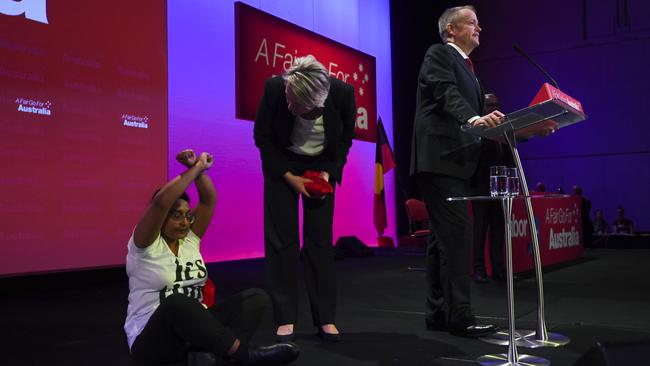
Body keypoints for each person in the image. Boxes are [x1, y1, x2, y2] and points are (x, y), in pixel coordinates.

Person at [124, 149, 299, 366]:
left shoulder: (189, 240)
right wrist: (196, 168)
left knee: (255, 299)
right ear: (161, 218)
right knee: (177, 303)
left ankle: (218, 356)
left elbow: (208, 200)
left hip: (194, 332)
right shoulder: (144, 245)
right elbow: (160, 203)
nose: (185, 222)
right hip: (153, 338)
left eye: (187, 216)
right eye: (176, 216)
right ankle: (245, 356)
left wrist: (195, 168)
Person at [410, 5, 500, 338]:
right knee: (459, 237)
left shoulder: (469, 69)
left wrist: (512, 127)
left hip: (458, 163)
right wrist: (473, 118)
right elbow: (445, 93)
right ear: (451, 29)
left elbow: (467, 106)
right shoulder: (439, 54)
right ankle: (461, 316)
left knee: (441, 241)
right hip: (440, 158)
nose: (479, 28)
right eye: (472, 23)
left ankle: (438, 313)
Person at [254, 55, 356, 342]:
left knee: (319, 242)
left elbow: (345, 140)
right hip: (282, 166)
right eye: (289, 98)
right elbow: (263, 137)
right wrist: (289, 176)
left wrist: (327, 174)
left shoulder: (343, 94)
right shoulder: (275, 88)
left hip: (320, 168)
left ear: (318, 103)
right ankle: (285, 317)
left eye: (296, 105)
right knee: (281, 241)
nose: (289, 107)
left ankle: (325, 318)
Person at [470, 94, 512, 284]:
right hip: (481, 188)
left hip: (501, 189)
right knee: (480, 231)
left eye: (496, 104)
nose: (493, 108)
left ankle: (498, 269)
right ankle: (478, 270)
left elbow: (510, 159)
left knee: (498, 231)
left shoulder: (505, 132)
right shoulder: (477, 132)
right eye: (489, 105)